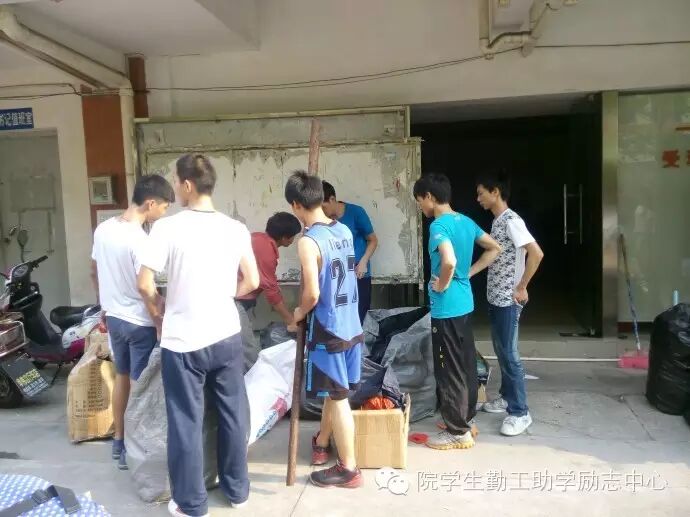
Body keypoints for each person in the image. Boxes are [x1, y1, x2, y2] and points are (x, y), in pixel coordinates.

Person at [137, 154, 259, 517]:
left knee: (186, 421)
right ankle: (237, 491)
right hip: (227, 335)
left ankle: (191, 503)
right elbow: (252, 281)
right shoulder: (235, 228)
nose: (175, 187)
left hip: (183, 341)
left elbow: (144, 283)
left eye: (176, 181)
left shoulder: (168, 228)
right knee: (232, 414)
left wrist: (158, 310)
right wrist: (223, 295)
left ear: (188, 185)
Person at [91, 174, 174, 471]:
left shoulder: (103, 230)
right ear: (150, 203)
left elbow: (94, 271)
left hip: (114, 318)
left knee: (122, 378)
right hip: (139, 323)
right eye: (163, 207)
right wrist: (158, 320)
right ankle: (134, 450)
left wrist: (105, 304)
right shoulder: (141, 240)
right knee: (140, 387)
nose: (163, 213)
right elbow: (145, 286)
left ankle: (119, 441)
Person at [286, 171, 363, 488]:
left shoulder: (308, 242)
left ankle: (349, 469)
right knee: (337, 391)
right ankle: (322, 442)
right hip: (352, 324)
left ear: (296, 204)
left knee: (338, 396)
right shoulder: (343, 229)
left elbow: (313, 294)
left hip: (329, 329)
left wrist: (298, 313)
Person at [413, 173, 501, 451]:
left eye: (419, 201)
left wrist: (443, 282)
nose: (420, 207)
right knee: (465, 365)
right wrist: (469, 272)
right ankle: (467, 420)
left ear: (429, 196)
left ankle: (457, 431)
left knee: (448, 370)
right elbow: (494, 248)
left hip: (446, 308)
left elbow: (448, 261)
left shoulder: (439, 225)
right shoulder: (465, 221)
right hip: (464, 304)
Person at [477, 171, 544, 437]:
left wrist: (522, 286)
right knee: (502, 350)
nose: (478, 198)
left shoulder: (512, 221)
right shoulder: (498, 221)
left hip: (508, 299)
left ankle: (520, 412)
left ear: (495, 192)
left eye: (481, 193)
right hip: (496, 297)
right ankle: (506, 398)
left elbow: (536, 253)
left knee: (509, 354)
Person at [236, 211, 302, 371]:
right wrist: (290, 321)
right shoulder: (266, 251)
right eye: (293, 237)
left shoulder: (258, 239)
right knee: (249, 353)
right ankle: (253, 384)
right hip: (234, 300)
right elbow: (272, 293)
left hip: (240, 299)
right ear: (285, 237)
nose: (293, 240)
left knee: (238, 347)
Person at [322, 181, 378, 323]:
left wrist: (364, 262)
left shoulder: (356, 212)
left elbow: (372, 240)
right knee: (338, 320)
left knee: (359, 318)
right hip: (336, 276)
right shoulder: (322, 220)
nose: (322, 212)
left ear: (332, 199)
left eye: (323, 207)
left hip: (358, 274)